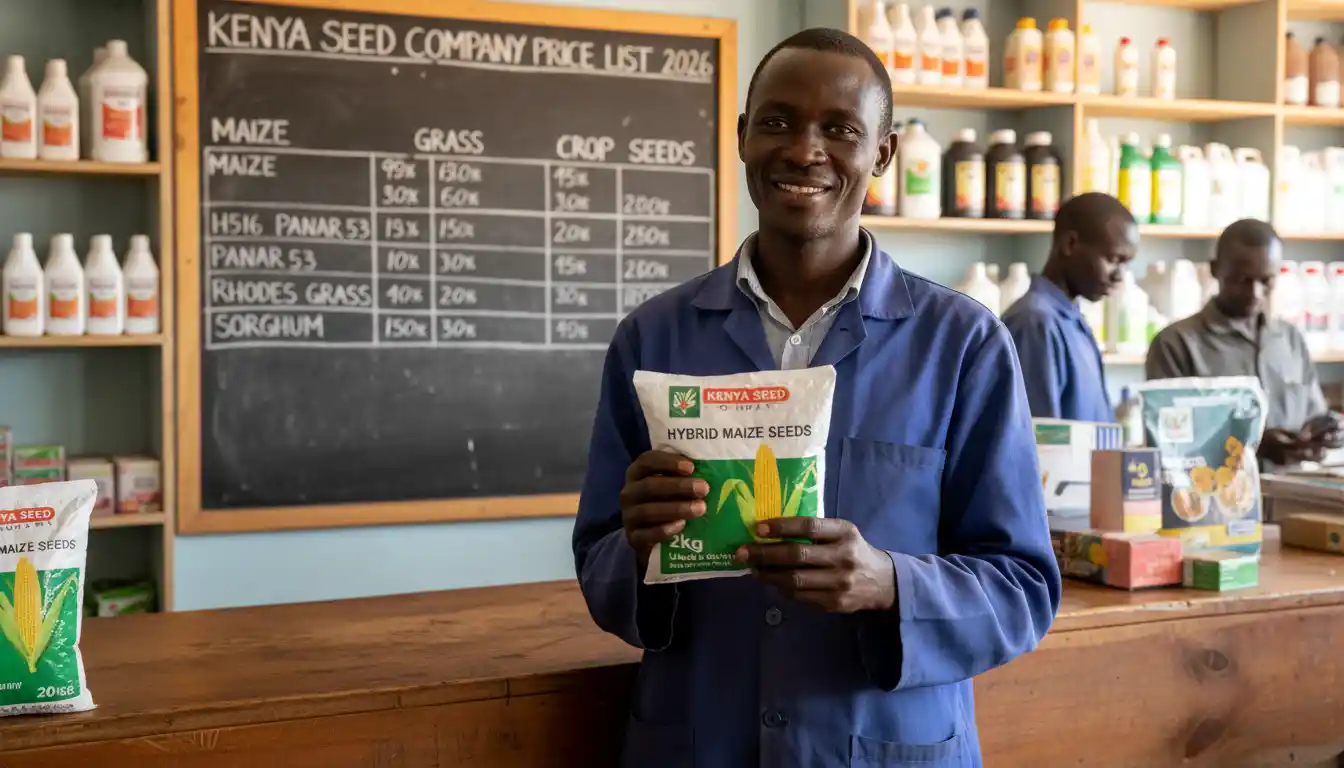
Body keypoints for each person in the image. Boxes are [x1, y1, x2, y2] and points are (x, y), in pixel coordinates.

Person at [571, 27, 1061, 768]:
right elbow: (598, 562)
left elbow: (1023, 587)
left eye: (840, 129)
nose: (804, 151)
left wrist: (892, 583)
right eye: (777, 122)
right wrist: (637, 548)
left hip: (887, 747)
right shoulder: (654, 338)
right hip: (702, 741)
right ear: (741, 138)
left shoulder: (963, 344)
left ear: (883, 154)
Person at [1147, 219, 1343, 466]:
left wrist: (1326, 432)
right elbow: (1170, 442)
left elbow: (1314, 415)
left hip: (1292, 496)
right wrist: (1253, 446)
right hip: (1213, 499)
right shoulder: (1175, 344)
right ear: (1215, 269)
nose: (1255, 293)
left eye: (1266, 280)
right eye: (1242, 280)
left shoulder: (1291, 339)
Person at [1001, 193, 1139, 422]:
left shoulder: (1069, 319)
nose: (1119, 277)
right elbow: (1041, 438)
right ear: (1070, 244)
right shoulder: (1035, 323)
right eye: (1113, 259)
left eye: (1126, 264)